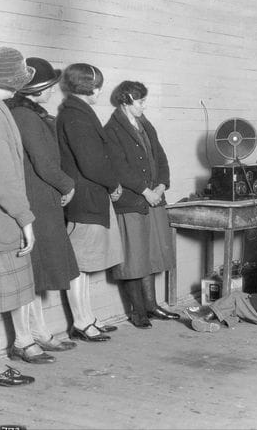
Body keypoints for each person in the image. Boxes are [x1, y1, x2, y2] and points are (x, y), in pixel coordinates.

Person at [6, 57, 80, 353]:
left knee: (36, 275)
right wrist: (68, 184)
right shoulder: (25, 116)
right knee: (30, 274)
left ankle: (39, 332)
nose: (53, 91)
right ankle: (24, 339)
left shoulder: (27, 113)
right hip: (36, 203)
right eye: (50, 86)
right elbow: (44, 163)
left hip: (42, 202)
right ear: (38, 90)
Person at [57, 63, 123, 342]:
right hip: (86, 197)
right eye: (98, 86)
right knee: (79, 265)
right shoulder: (76, 115)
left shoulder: (76, 112)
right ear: (93, 88)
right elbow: (91, 163)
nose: (99, 91)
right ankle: (81, 322)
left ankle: (87, 318)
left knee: (83, 266)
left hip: (89, 197)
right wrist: (113, 184)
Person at [104, 81, 179, 329]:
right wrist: (146, 191)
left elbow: (161, 157)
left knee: (150, 254)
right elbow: (118, 168)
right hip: (132, 201)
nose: (144, 105)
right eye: (140, 101)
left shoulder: (146, 124)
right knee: (134, 258)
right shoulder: (112, 129)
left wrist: (160, 186)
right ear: (125, 102)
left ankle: (151, 305)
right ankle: (138, 312)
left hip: (154, 199)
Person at [0, 46, 51, 377]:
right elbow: (3, 176)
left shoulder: (2, 108)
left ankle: (22, 341)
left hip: (6, 219)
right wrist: (25, 218)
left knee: (14, 288)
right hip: (4, 220)